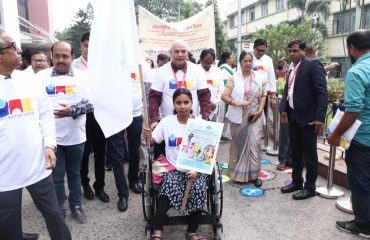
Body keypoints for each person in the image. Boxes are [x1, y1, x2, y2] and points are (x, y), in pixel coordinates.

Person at [0, 31, 71, 240]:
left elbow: (46, 114)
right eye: (13, 46)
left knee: (55, 215)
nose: (19, 49)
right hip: (4, 174)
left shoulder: (30, 80)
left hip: (37, 165)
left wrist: (50, 145)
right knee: (8, 227)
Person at [37, 41, 92, 223]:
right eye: (57, 56)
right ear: (51, 56)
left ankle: (76, 206)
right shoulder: (40, 77)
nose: (61, 60)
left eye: (65, 56)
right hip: (51, 141)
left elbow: (91, 103)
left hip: (76, 137)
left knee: (75, 174)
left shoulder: (83, 77)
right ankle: (59, 209)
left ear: (72, 57)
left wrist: (72, 110)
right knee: (57, 176)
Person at [144, 88, 208, 240]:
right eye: (179, 102)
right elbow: (154, 141)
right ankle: (158, 229)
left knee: (199, 187)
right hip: (173, 167)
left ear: (192, 103)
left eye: (186, 102)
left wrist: (198, 170)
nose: (183, 106)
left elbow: (207, 152)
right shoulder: (166, 122)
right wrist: (148, 136)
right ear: (173, 104)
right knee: (169, 185)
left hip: (195, 168)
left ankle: (191, 231)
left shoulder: (200, 124)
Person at [327, 30, 370, 238]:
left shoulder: (357, 72)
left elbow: (353, 110)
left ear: (352, 48)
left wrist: (336, 134)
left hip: (363, 139)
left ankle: (363, 225)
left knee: (361, 183)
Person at [280, 39, 327, 200]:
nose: (292, 54)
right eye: (290, 51)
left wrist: (320, 118)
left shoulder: (313, 65)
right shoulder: (291, 68)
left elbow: (322, 93)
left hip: (309, 119)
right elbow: (288, 90)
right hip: (293, 117)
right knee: (295, 153)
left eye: (295, 51)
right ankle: (297, 182)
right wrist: (284, 109)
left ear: (304, 51)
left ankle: (310, 187)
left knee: (310, 155)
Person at [149, 39, 212, 158]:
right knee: (163, 162)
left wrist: (205, 118)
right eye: (176, 51)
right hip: (167, 126)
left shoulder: (197, 70)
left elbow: (204, 96)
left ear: (187, 53)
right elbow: (154, 98)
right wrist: (153, 121)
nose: (180, 54)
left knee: (193, 159)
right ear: (170, 53)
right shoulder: (161, 72)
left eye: (183, 51)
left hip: (192, 125)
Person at [72, 32, 110, 203]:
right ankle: (85, 183)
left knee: (101, 151)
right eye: (86, 45)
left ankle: (100, 186)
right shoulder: (73, 66)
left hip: (99, 114)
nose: (89, 49)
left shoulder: (104, 66)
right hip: (81, 114)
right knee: (84, 152)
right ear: (81, 46)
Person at [221, 51, 266, 186]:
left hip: (255, 116)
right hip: (238, 117)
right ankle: (238, 174)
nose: (248, 63)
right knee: (238, 146)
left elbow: (263, 96)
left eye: (250, 61)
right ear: (240, 63)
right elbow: (224, 96)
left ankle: (255, 175)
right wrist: (236, 102)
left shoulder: (259, 77)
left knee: (255, 145)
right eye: (245, 61)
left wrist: (259, 111)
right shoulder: (234, 78)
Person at [199, 48, 224, 121]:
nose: (207, 65)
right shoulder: (194, 71)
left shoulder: (217, 71)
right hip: (199, 110)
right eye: (205, 63)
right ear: (200, 60)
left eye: (210, 63)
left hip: (214, 108)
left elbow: (221, 89)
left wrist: (216, 103)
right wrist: (206, 104)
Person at [217, 51, 234, 141]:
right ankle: (219, 134)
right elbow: (224, 83)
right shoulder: (224, 69)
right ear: (227, 59)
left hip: (227, 96)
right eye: (231, 57)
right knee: (222, 115)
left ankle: (223, 134)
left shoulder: (228, 69)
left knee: (225, 115)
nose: (232, 59)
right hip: (224, 96)